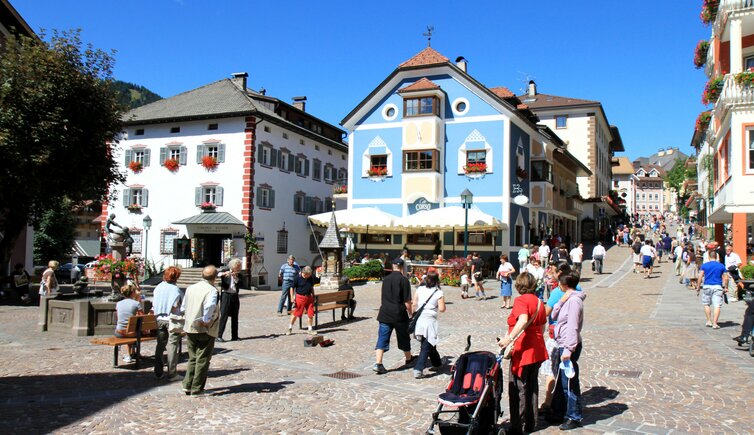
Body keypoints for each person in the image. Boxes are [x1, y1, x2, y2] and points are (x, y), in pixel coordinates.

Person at [497, 272, 547, 435]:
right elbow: (542, 328)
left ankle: (517, 426)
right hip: (537, 348)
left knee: (518, 388)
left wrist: (508, 339)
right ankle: (531, 423)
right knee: (532, 386)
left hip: (523, 349)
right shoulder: (539, 302)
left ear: (519, 286)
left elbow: (523, 319)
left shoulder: (522, 300)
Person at [548, 272, 586, 431]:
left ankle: (574, 416)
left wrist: (569, 349)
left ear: (564, 285)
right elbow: (554, 315)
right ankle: (560, 411)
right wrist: (560, 302)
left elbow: (572, 326)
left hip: (568, 345)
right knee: (560, 381)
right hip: (561, 343)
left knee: (569, 384)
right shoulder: (567, 300)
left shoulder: (575, 302)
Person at [181, 265, 220, 396]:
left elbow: (183, 306)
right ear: (215, 277)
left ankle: (187, 384)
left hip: (190, 326)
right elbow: (210, 305)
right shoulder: (212, 290)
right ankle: (197, 388)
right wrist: (207, 320)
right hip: (203, 328)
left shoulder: (190, 288)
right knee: (202, 358)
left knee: (192, 357)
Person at [373, 257, 414, 375]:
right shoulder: (404, 280)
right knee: (404, 337)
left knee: (382, 338)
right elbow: (407, 301)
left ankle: (378, 363)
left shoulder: (385, 280)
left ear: (392, 267)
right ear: (402, 267)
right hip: (399, 314)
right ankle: (408, 359)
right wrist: (410, 314)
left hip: (385, 313)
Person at [412, 268, 445, 379]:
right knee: (426, 345)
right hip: (430, 320)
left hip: (420, 318)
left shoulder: (420, 289)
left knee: (430, 343)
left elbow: (414, 304)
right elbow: (442, 309)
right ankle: (418, 369)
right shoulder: (438, 292)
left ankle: (437, 363)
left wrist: (412, 316)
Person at [152, 266, 184, 381]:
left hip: (159, 318)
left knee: (160, 345)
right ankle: (172, 372)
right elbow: (176, 305)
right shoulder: (175, 289)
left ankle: (158, 371)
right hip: (172, 319)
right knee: (172, 346)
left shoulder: (158, 287)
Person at [697, 251, 728, 329]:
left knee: (706, 304)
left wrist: (698, 287)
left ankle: (709, 321)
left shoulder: (704, 266)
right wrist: (726, 287)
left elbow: (700, 276)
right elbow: (726, 278)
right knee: (717, 305)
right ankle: (715, 323)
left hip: (707, 285)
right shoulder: (721, 266)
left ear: (708, 256)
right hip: (717, 286)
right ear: (717, 256)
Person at [114, 283, 143, 363]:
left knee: (128, 328)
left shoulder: (118, 303)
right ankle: (133, 353)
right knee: (134, 330)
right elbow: (142, 318)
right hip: (132, 333)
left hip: (119, 332)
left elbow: (118, 318)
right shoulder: (136, 303)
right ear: (132, 293)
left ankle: (130, 354)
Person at [286, 266, 316, 335]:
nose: (310, 275)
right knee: (296, 313)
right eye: (309, 274)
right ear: (304, 273)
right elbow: (291, 288)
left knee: (310, 313)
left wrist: (313, 295)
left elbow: (311, 287)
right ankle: (290, 328)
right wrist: (292, 298)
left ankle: (310, 329)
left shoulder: (310, 278)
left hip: (309, 297)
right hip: (300, 298)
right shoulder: (297, 278)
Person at [217, 258, 242, 342]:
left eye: (239, 267)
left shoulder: (238, 274)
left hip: (235, 295)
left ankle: (235, 336)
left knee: (235, 316)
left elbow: (240, 283)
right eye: (237, 267)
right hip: (226, 295)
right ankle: (219, 335)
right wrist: (224, 274)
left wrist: (236, 278)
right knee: (224, 315)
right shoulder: (226, 270)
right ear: (233, 266)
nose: (238, 269)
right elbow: (217, 274)